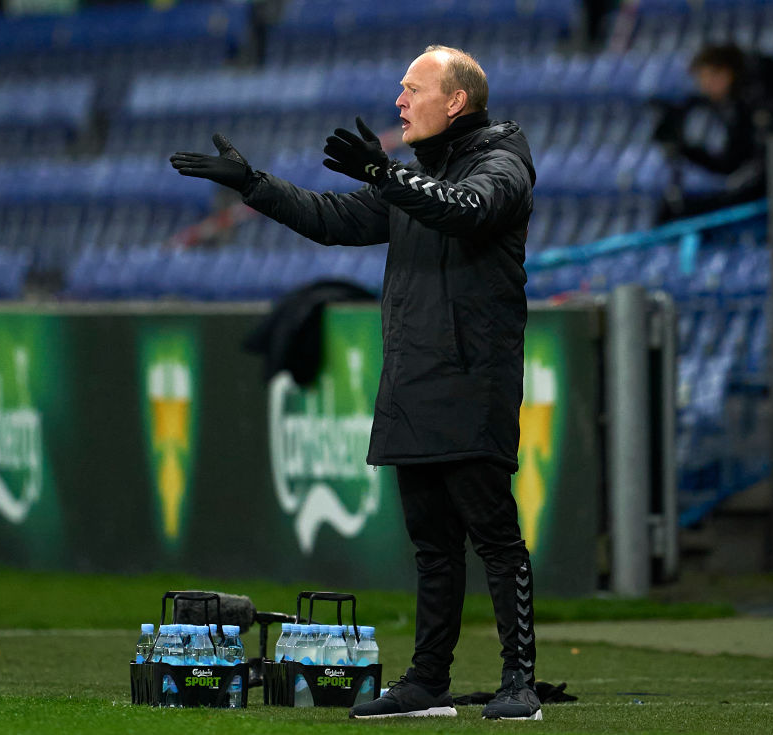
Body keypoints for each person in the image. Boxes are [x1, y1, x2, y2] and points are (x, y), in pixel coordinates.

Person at [170, 46, 540, 721]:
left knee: (493, 534)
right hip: (412, 380)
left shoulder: (503, 160)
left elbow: (468, 209)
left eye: (413, 89)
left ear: (456, 100)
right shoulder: (412, 180)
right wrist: (253, 183)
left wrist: (386, 173)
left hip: (472, 379)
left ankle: (520, 682)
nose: (400, 101)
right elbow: (331, 218)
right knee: (432, 544)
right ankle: (428, 683)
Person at [654, 43, 773, 220]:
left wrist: (728, 196)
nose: (703, 88)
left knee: (680, 213)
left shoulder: (763, 101)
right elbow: (732, 162)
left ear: (724, 74)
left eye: (705, 79)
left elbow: (765, 166)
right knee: (674, 211)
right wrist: (685, 151)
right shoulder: (739, 104)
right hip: (763, 191)